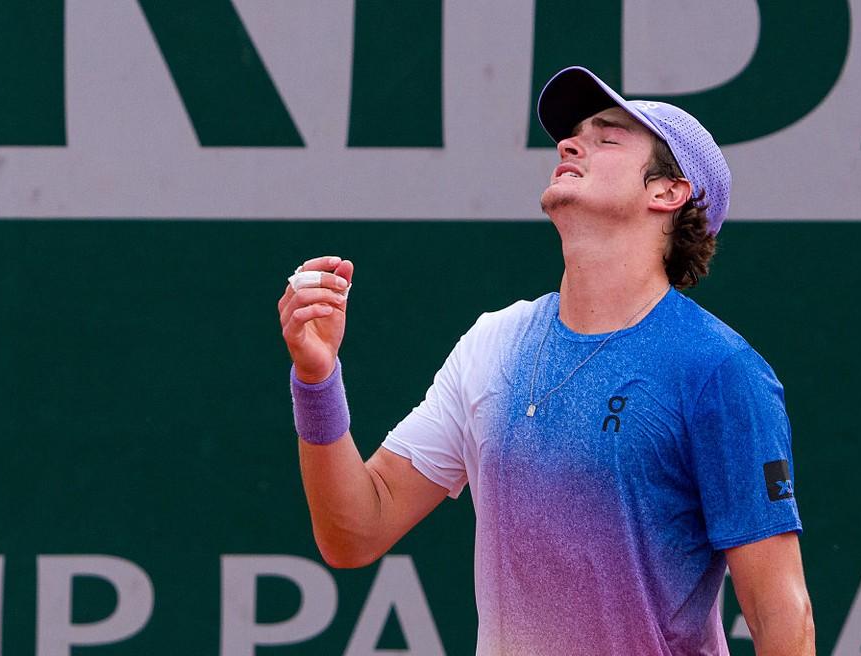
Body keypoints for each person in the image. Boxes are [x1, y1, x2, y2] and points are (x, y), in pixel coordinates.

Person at [278, 66, 814, 655]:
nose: (569, 142)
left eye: (607, 136)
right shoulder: (493, 343)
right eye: (573, 133)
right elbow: (355, 531)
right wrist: (317, 376)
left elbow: (778, 613)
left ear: (667, 192)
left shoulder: (718, 369)